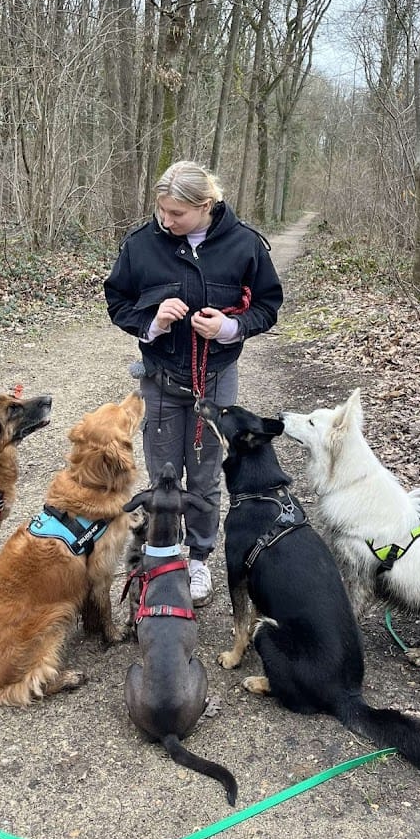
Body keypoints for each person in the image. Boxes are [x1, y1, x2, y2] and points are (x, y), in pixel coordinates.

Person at [104, 160, 283, 606]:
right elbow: (117, 300)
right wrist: (152, 323)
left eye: (176, 213)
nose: (166, 221)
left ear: (206, 205)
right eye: (162, 210)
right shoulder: (141, 245)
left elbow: (267, 305)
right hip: (161, 380)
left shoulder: (245, 245)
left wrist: (229, 328)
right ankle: (163, 556)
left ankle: (199, 559)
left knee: (204, 477)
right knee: (162, 477)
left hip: (216, 381)